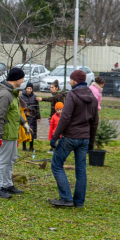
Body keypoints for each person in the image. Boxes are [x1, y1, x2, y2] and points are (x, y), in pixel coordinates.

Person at [48, 70, 99, 208]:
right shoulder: (93, 98)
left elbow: (65, 117)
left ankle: (66, 198)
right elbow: (95, 123)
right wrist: (91, 143)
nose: (70, 82)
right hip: (84, 139)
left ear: (75, 81)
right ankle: (78, 202)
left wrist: (55, 137)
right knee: (81, 170)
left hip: (70, 137)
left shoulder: (72, 95)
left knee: (56, 164)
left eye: (71, 80)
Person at [0, 67, 30, 199]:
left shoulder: (12, 93)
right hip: (5, 133)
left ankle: (7, 184)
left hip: (12, 132)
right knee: (2, 160)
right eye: (22, 78)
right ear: (17, 79)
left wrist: (24, 123)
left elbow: (15, 112)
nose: (23, 81)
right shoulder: (4, 94)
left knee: (11, 158)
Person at [19, 82, 42, 151]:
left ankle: (31, 147)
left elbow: (37, 107)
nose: (29, 90)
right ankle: (24, 147)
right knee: (25, 130)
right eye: (28, 88)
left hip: (33, 117)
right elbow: (20, 107)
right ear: (26, 89)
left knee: (32, 131)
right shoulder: (21, 97)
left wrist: (38, 117)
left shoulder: (35, 97)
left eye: (30, 88)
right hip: (25, 116)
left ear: (32, 89)